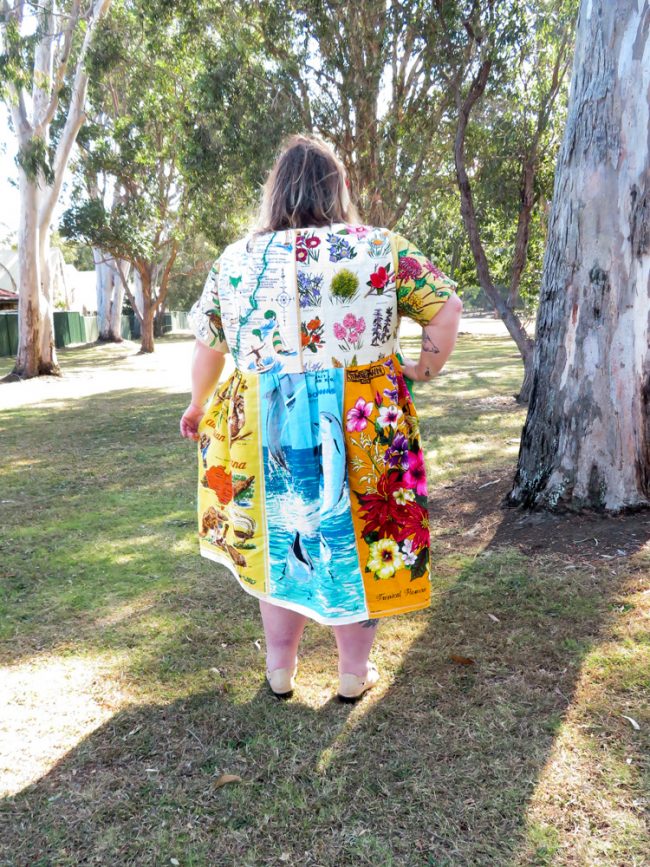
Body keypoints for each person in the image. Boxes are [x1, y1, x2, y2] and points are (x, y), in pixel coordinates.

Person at [180, 134, 462, 702]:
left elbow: (209, 345)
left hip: (263, 426)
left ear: (275, 192)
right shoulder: (380, 246)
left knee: (276, 536)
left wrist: (197, 403)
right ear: (339, 188)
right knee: (362, 538)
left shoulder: (236, 260)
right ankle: (353, 674)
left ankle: (281, 669)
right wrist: (424, 369)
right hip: (363, 421)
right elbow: (447, 307)